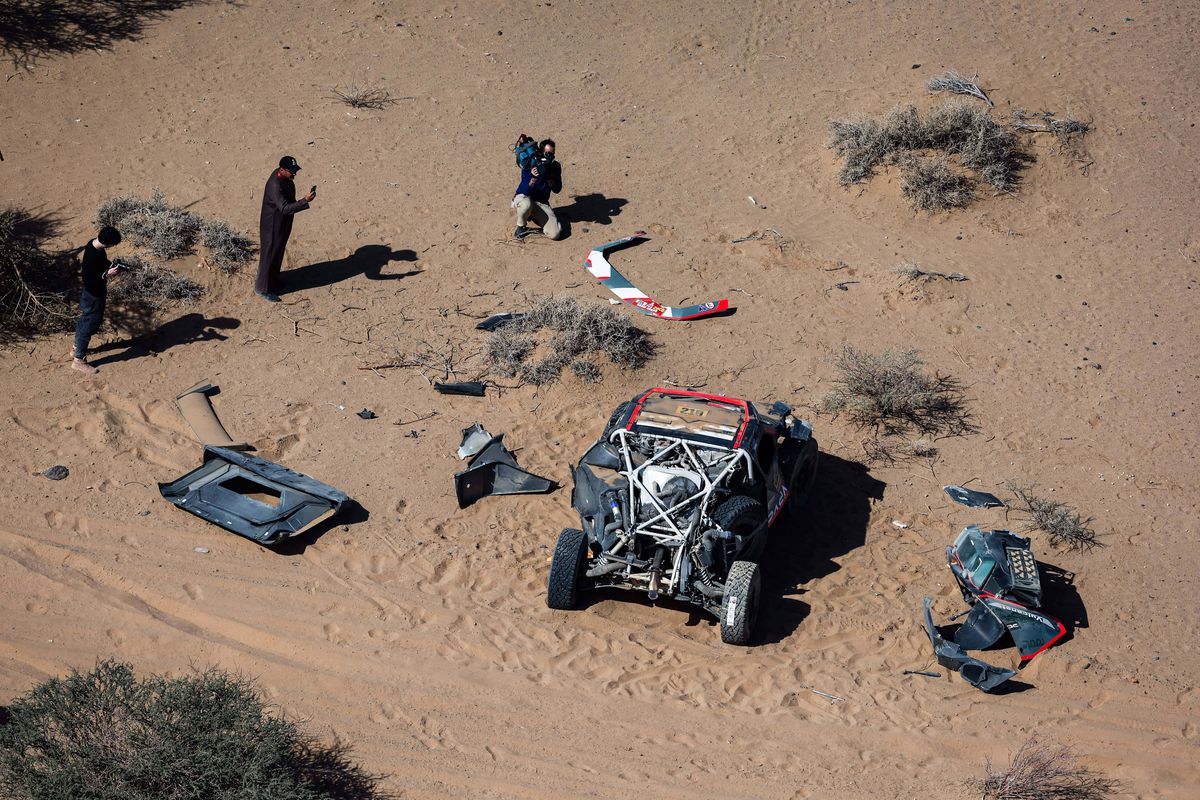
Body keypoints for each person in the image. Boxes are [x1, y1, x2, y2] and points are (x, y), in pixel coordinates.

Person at [255, 155, 315, 301]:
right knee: (269, 256)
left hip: (281, 223)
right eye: (292, 171)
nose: (294, 173)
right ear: (282, 170)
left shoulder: (283, 177)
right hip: (272, 226)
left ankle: (273, 281)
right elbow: (284, 208)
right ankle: (262, 289)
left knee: (278, 252)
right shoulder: (275, 185)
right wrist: (304, 201)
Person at [71, 226, 125, 374]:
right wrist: (106, 274)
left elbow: (100, 263)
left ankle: (77, 348)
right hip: (93, 295)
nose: (113, 246)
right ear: (108, 243)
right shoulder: (91, 256)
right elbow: (89, 280)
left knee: (86, 321)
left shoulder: (93, 245)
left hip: (94, 294)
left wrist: (111, 266)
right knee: (89, 324)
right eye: (113, 244)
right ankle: (79, 360)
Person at [513, 139, 562, 240]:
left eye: (552, 153)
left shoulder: (555, 166)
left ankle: (532, 215)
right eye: (547, 153)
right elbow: (524, 190)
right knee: (526, 205)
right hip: (524, 198)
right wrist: (533, 177)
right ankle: (520, 227)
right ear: (541, 152)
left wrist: (550, 180)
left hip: (541, 203)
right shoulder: (531, 164)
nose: (550, 156)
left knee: (555, 234)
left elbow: (557, 189)